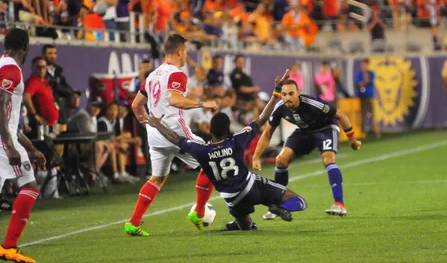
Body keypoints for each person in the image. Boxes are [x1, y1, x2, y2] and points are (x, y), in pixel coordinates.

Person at [148, 69, 308, 231]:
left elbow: (175, 138)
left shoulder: (201, 150)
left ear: (210, 129)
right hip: (252, 187)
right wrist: (276, 92)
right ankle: (281, 208)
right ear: (228, 129)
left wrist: (156, 123)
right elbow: (261, 119)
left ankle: (242, 223)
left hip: (232, 199)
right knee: (300, 202)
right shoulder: (236, 141)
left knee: (246, 226)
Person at [126, 33, 218, 236]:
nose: (186, 56)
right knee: (212, 160)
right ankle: (199, 212)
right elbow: (175, 100)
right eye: (186, 51)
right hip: (175, 132)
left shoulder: (152, 75)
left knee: (157, 178)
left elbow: (136, 105)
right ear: (179, 51)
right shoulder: (177, 73)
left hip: (155, 134)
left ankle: (133, 223)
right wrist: (203, 103)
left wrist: (145, 121)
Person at [0, 28, 47, 263]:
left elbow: (4, 115)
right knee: (29, 186)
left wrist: (28, 147)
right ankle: (9, 247)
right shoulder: (11, 68)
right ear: (25, 47)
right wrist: (10, 147)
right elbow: (0, 107)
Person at [252, 80, 362, 218]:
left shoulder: (314, 104)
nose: (287, 98)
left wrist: (352, 140)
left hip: (326, 129)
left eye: (291, 93)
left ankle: (339, 205)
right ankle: (278, 205)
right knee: (280, 160)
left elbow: (340, 115)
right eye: (284, 94)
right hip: (304, 132)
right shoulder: (280, 108)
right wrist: (256, 157)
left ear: (298, 93)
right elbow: (267, 133)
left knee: (328, 159)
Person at [23, 57, 59, 136]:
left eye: (44, 67)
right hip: (39, 127)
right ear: (33, 68)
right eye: (38, 67)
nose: (41, 69)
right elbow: (26, 97)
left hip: (50, 126)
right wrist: (35, 115)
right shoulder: (32, 82)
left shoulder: (44, 82)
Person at [42, 45, 74, 126]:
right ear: (43, 55)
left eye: (55, 53)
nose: (53, 56)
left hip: (62, 110)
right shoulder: (41, 72)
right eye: (50, 53)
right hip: (48, 112)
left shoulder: (58, 71)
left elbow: (69, 90)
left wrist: (57, 87)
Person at [355, 59, 380, 137]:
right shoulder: (359, 74)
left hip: (370, 95)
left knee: (373, 114)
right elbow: (359, 84)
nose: (364, 66)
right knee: (363, 115)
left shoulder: (371, 73)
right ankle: (363, 132)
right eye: (363, 64)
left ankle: (376, 132)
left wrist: (364, 82)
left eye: (366, 64)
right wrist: (364, 82)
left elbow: (368, 81)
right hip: (362, 96)